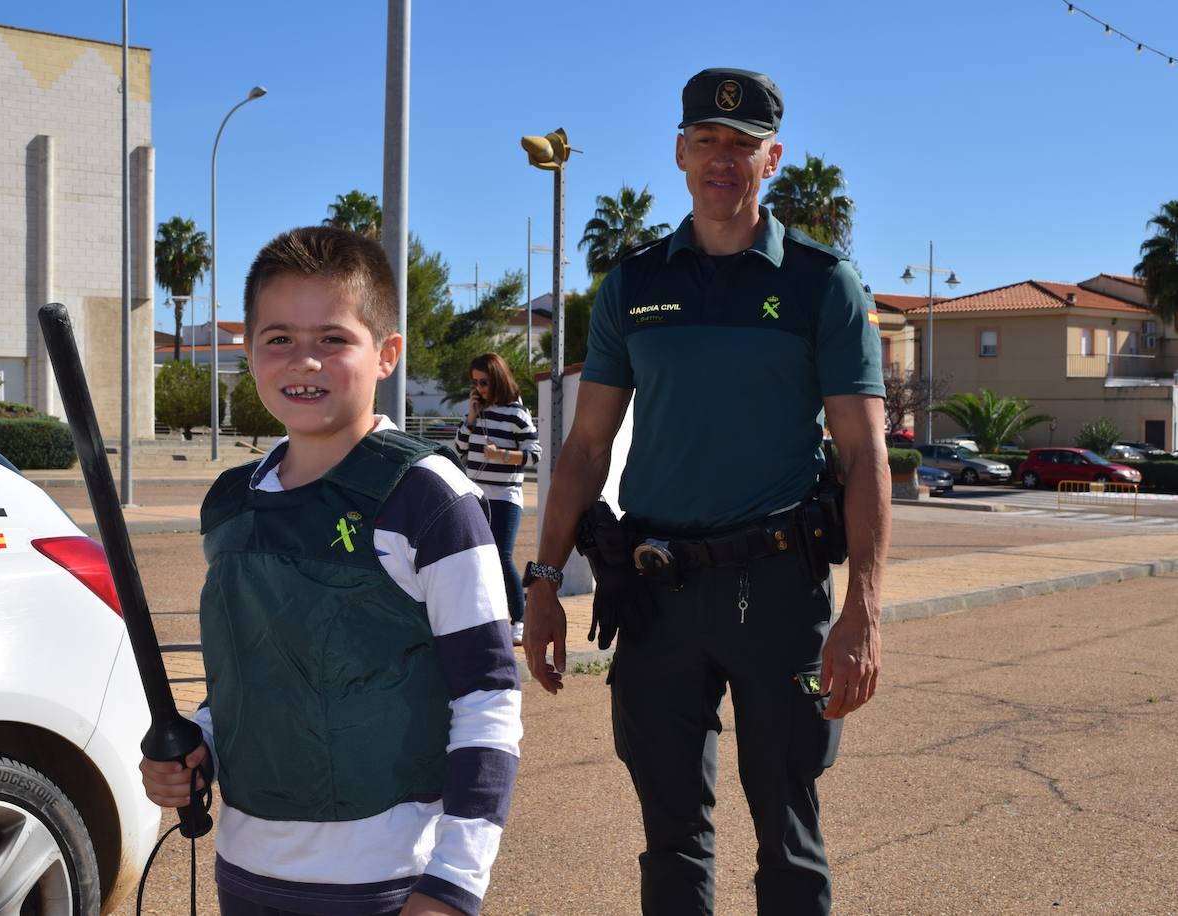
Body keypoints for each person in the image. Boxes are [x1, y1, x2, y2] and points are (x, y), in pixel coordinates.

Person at [522, 68, 889, 915]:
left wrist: (863, 609)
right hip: (658, 594)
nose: (724, 159)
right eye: (707, 141)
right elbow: (583, 447)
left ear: (773, 159)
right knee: (671, 835)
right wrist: (542, 583)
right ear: (680, 151)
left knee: (789, 833)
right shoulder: (635, 282)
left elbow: (866, 454)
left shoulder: (820, 283)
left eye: (743, 145)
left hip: (781, 591)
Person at [141, 226, 522, 916]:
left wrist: (454, 883)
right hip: (247, 871)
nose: (304, 361)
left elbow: (488, 699)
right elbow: (250, 674)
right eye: (279, 338)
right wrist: (197, 743)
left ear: (387, 355)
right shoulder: (230, 504)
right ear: (249, 351)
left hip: (389, 884)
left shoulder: (430, 497)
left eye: (334, 339)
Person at [454, 352, 541, 646]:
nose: (479, 388)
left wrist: (501, 455)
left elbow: (534, 454)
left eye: (485, 382)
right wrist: (471, 416)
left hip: (505, 496)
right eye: (475, 383)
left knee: (502, 557)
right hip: (474, 495)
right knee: (476, 557)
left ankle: (521, 619)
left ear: (498, 378)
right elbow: (459, 446)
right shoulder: (480, 411)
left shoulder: (517, 414)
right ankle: (485, 618)